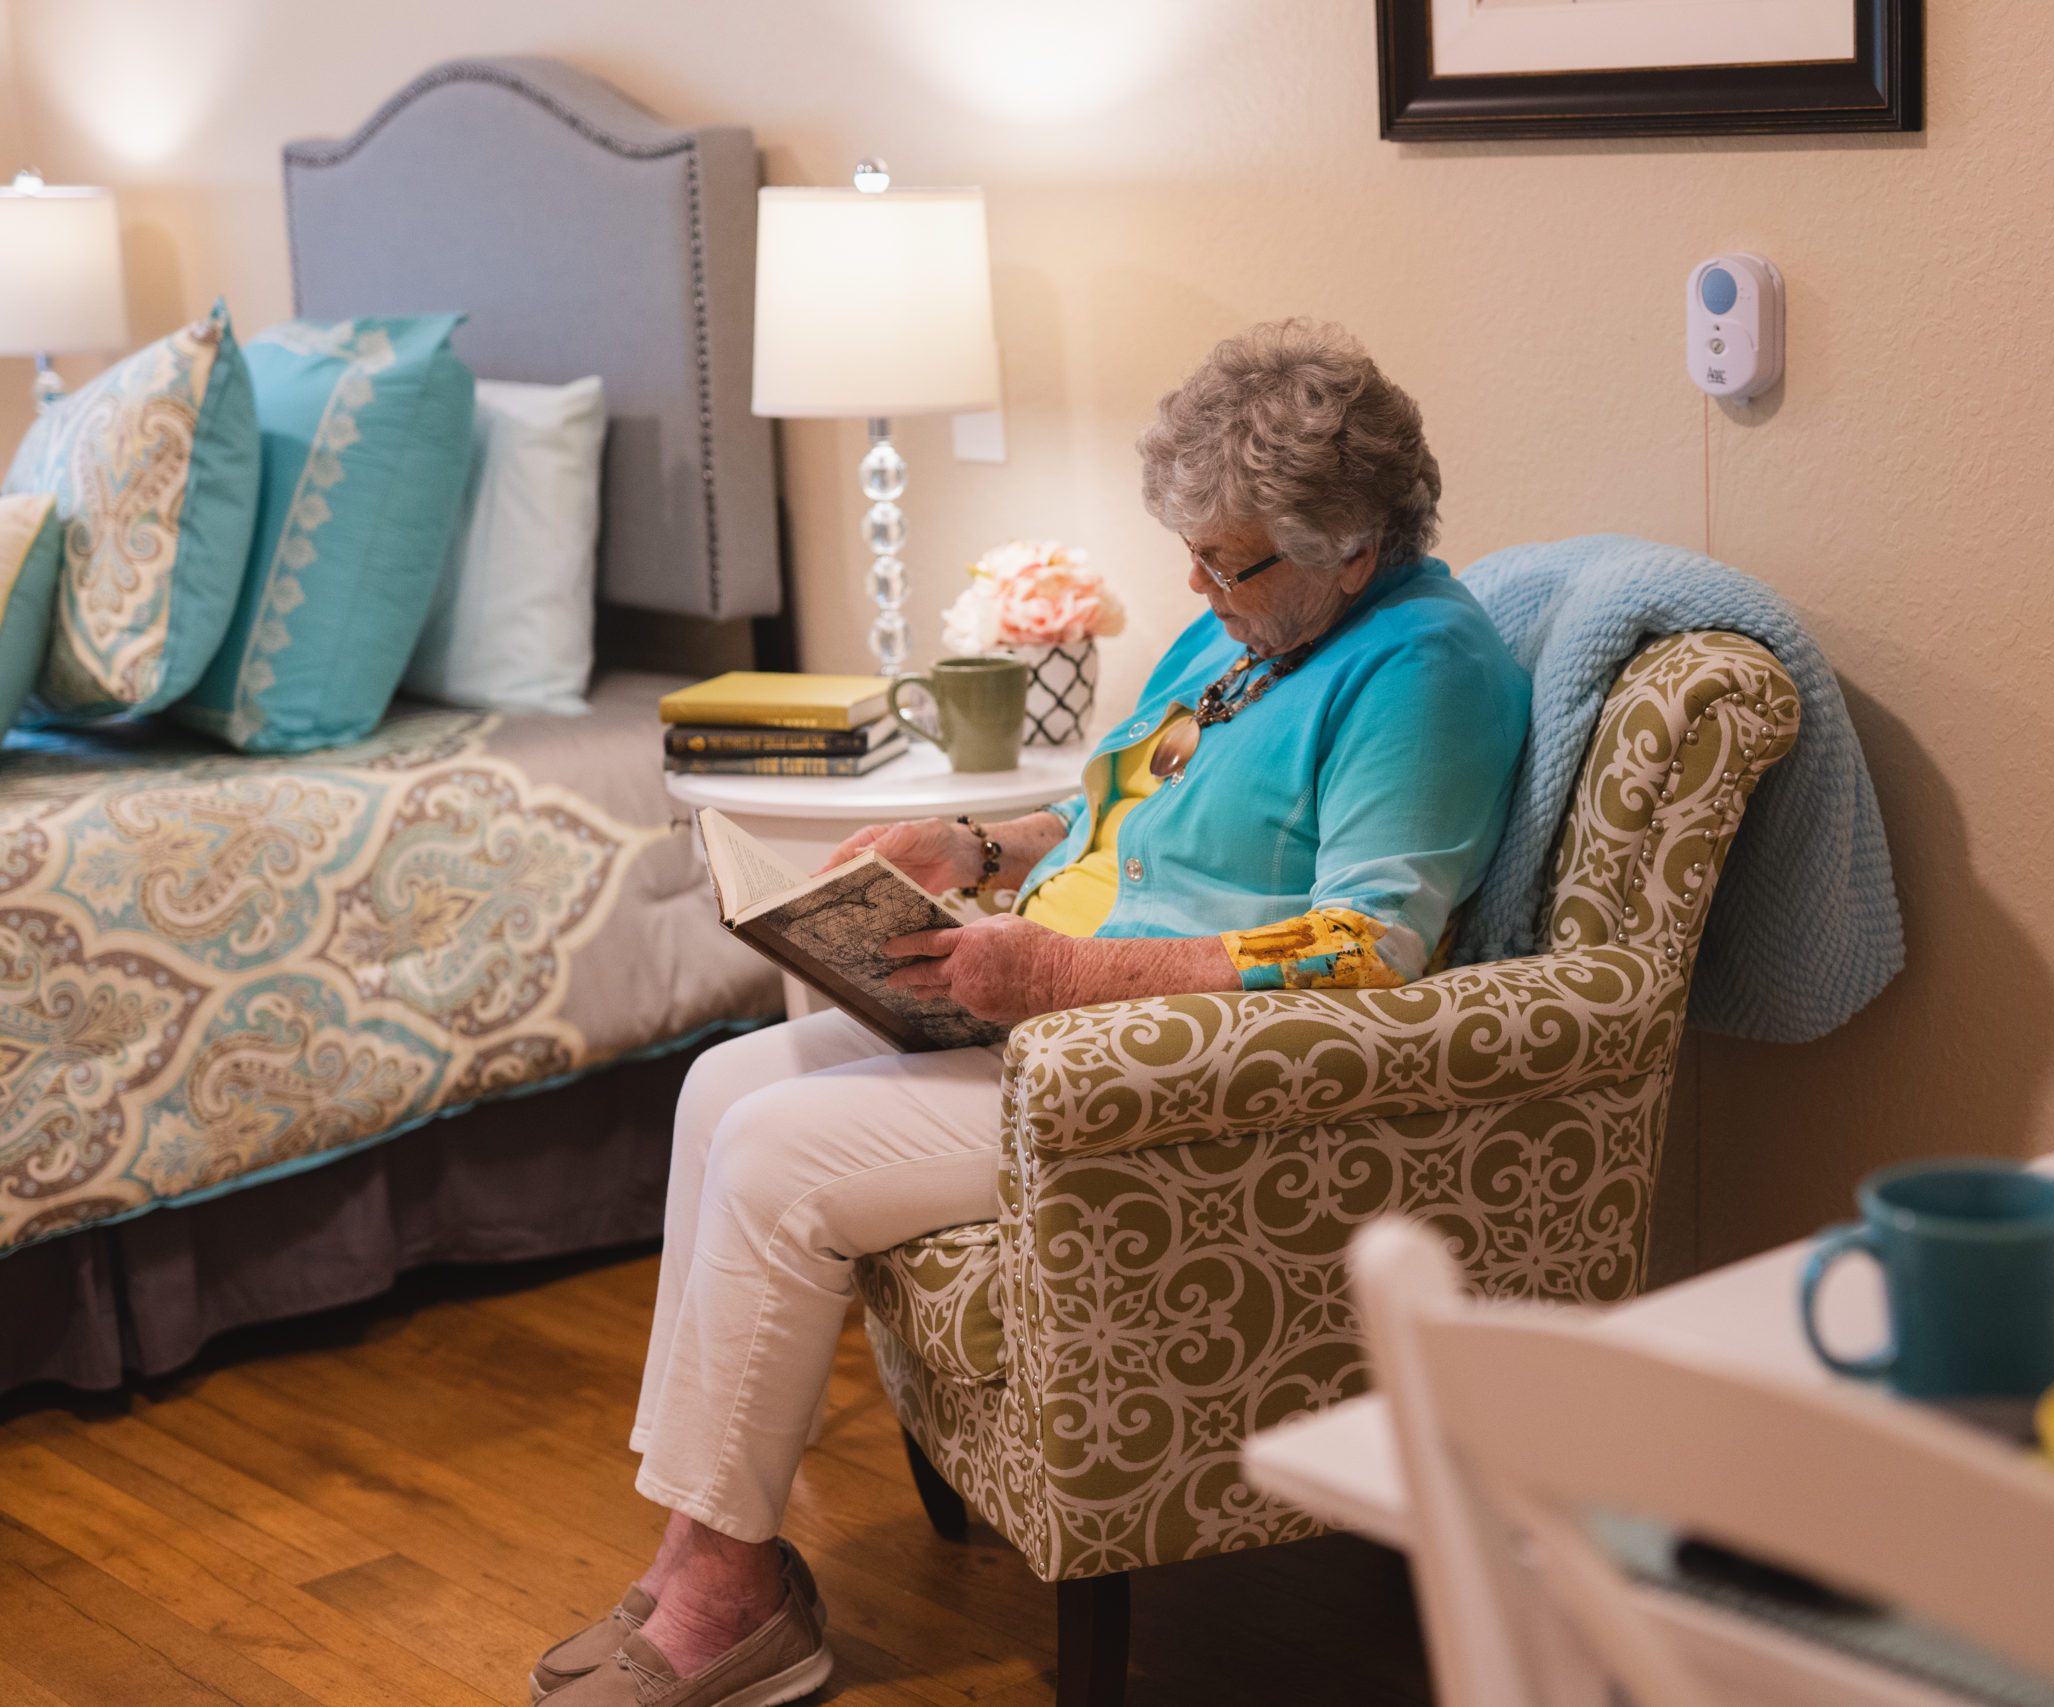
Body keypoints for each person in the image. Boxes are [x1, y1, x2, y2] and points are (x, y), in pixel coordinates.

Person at [529, 320, 1531, 1707]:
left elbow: (1370, 947)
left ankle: (731, 1594)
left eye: (1226, 559)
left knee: (777, 1158)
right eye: (1190, 550)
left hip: (1155, 1075)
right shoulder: (1255, 624)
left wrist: (1058, 978)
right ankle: (701, 1546)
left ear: (1351, 543)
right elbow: (1127, 809)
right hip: (1042, 1012)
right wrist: (975, 850)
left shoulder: (1423, 672)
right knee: (719, 1088)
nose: (1195, 584)